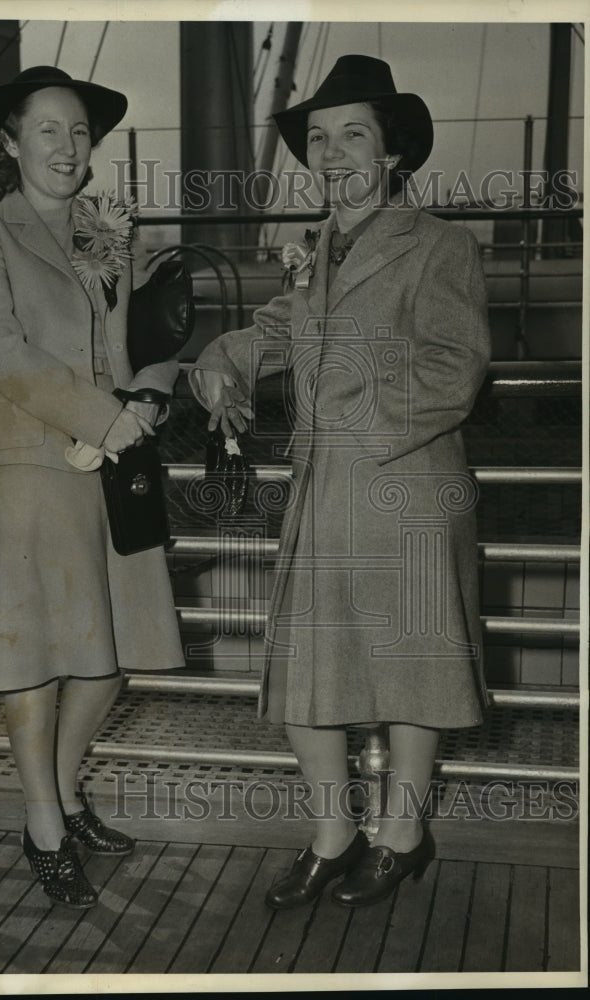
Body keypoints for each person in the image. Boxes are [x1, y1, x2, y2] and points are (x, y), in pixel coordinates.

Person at [191, 55, 490, 909]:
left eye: (352, 134)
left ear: (391, 153)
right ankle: (330, 834)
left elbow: (453, 369)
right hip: (326, 495)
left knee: (412, 671)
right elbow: (274, 332)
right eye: (318, 139)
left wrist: (341, 400)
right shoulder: (319, 251)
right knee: (306, 674)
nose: (331, 154)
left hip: (405, 490)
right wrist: (221, 360)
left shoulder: (442, 246)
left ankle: (402, 833)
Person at [0, 66, 184, 909]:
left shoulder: (107, 232)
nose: (68, 148)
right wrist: (102, 421)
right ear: (9, 142)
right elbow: (2, 353)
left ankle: (69, 791)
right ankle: (43, 819)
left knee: (109, 658)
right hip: (37, 466)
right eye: (48, 130)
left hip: (116, 466)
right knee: (38, 659)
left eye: (79, 133)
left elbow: (155, 340)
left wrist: (147, 393)